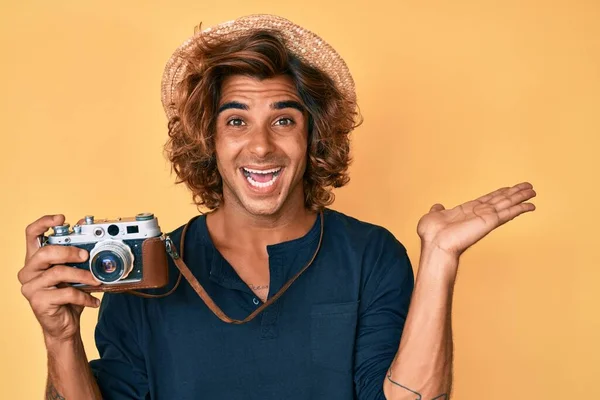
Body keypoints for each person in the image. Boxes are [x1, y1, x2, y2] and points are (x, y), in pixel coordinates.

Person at [18, 14, 536, 400]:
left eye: (283, 120)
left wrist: (440, 259)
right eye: (237, 121)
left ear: (313, 137)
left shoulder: (370, 255)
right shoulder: (146, 268)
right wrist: (60, 337)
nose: (261, 146)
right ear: (208, 140)